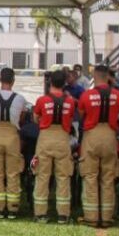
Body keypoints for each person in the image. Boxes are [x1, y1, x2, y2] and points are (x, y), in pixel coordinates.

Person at [76, 65, 119, 228]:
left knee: (90, 176)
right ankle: (106, 216)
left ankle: (91, 216)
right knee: (108, 177)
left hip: (92, 134)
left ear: (94, 76)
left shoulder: (86, 95)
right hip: (110, 135)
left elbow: (82, 116)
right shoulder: (118, 96)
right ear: (108, 77)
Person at [32, 70, 76, 223]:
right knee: (63, 177)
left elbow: (36, 117)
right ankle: (63, 214)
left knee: (42, 176)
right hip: (63, 138)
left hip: (46, 137)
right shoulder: (70, 101)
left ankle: (40, 213)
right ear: (64, 83)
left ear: (50, 82)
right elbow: (70, 119)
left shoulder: (42, 100)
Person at [0, 67, 28, 219]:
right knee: (13, 171)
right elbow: (22, 117)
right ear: (13, 81)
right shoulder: (20, 99)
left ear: (0, 79)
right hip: (12, 136)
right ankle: (13, 208)